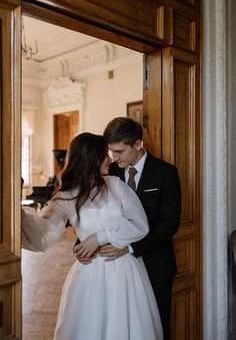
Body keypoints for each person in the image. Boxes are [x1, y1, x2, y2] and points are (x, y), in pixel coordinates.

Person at [21, 132, 163, 340]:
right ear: (91, 157)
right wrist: (16, 215)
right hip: (90, 274)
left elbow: (140, 225)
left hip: (126, 271)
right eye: (105, 154)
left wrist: (99, 237)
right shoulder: (65, 197)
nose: (110, 159)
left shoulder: (114, 184)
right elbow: (41, 234)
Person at [74, 118, 181, 340]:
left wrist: (130, 247)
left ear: (138, 144)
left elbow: (169, 223)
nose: (114, 158)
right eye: (111, 151)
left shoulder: (166, 173)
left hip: (155, 262)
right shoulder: (107, 172)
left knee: (154, 324)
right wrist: (82, 243)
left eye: (120, 151)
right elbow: (92, 211)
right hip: (115, 270)